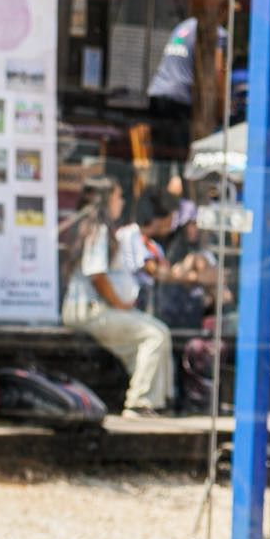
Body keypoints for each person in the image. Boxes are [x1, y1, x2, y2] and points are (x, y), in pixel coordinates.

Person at [61, 174, 173, 412]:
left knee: (158, 332)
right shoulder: (98, 229)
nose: (122, 202)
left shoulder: (97, 228)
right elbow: (97, 275)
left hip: (98, 309)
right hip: (93, 310)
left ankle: (159, 400)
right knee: (154, 335)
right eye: (118, 197)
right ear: (106, 200)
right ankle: (139, 402)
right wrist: (118, 303)